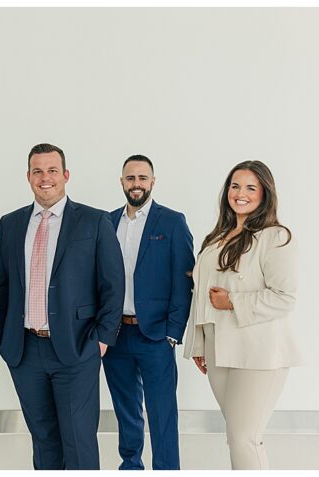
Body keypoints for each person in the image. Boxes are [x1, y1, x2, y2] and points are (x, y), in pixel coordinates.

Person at [0, 142, 124, 470]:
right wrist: (5, 340)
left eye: (52, 171)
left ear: (65, 175)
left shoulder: (94, 221)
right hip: (25, 350)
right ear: (28, 176)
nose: (45, 178)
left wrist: (101, 340)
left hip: (77, 349)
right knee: (44, 440)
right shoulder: (11, 224)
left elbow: (113, 285)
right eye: (38, 171)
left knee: (78, 440)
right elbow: (0, 288)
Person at [182, 160, 302, 470]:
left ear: (265, 193)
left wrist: (233, 301)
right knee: (243, 437)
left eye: (251, 187)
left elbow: (285, 297)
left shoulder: (275, 237)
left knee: (243, 438)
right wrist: (197, 345)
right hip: (218, 350)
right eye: (235, 186)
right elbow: (201, 294)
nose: (241, 193)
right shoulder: (216, 239)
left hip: (258, 353)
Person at [104, 155, 194, 470]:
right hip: (116, 336)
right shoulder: (108, 221)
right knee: (126, 409)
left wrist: (173, 333)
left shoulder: (171, 221)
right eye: (131, 178)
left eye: (143, 178)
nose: (137, 184)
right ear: (122, 182)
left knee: (162, 411)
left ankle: (167, 470)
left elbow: (184, 280)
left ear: (152, 182)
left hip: (155, 335)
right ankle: (130, 465)